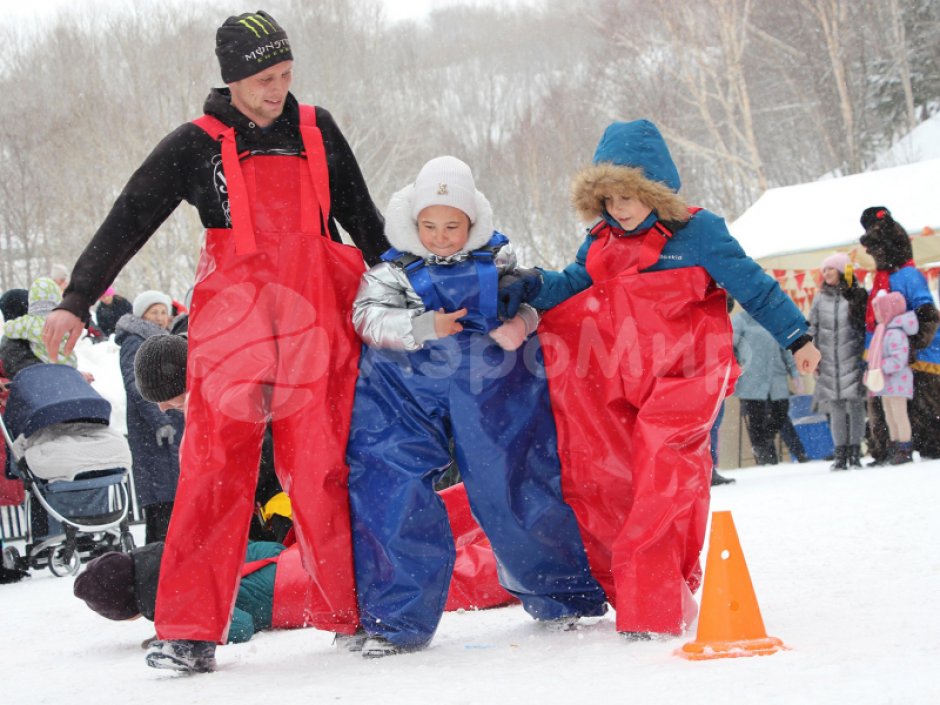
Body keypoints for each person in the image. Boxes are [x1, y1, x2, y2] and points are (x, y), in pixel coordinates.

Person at [41, 10, 388, 674]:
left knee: (321, 467)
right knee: (213, 472)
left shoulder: (317, 131)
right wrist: (77, 298)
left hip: (314, 325)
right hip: (234, 330)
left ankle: (353, 614)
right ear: (231, 79)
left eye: (285, 75)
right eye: (262, 79)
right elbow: (130, 217)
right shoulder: (196, 143)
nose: (276, 90)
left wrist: (407, 292)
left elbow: (365, 223)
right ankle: (190, 629)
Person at [497, 119, 820, 639]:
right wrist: (534, 284)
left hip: (689, 373)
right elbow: (576, 285)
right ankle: (648, 584)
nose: (619, 207)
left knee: (664, 468)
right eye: (609, 197)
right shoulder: (599, 239)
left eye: (631, 195)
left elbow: (755, 287)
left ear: (656, 191)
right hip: (621, 376)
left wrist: (797, 338)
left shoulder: (700, 232)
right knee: (610, 480)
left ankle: (653, 603)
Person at [346, 156, 607, 658]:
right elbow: (366, 318)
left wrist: (522, 324)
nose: (441, 237)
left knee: (514, 482)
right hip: (403, 389)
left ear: (471, 222)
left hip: (492, 382)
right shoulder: (391, 269)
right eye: (429, 226)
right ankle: (398, 619)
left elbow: (535, 301)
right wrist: (421, 328)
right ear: (413, 222)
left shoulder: (500, 260)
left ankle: (559, 595)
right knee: (392, 489)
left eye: (452, 226)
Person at [859, 206, 940, 463]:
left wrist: (913, 346)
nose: (872, 254)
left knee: (922, 409)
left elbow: (927, 314)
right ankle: (886, 448)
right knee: (883, 406)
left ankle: (923, 447)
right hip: (884, 356)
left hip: (919, 358)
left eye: (876, 249)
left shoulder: (908, 276)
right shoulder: (880, 280)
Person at [115, 291, 184, 544]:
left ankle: (167, 550)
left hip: (171, 425)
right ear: (141, 314)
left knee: (171, 495)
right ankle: (158, 552)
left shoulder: (166, 340)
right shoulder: (135, 341)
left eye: (163, 312)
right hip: (153, 431)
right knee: (161, 497)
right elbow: (136, 385)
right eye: (153, 312)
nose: (159, 317)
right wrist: (160, 420)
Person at [808, 252, 868, 470]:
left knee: (855, 404)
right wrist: (814, 356)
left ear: (842, 270)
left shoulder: (855, 295)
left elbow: (863, 325)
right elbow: (812, 327)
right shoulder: (819, 298)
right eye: (824, 270)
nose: (826, 273)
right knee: (836, 406)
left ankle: (855, 451)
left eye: (830, 268)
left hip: (852, 357)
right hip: (828, 360)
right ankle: (840, 453)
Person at [733, 309, 806, 465]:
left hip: (776, 375)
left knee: (781, 411)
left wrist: (794, 373)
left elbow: (786, 348)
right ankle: (764, 454)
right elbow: (729, 345)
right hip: (752, 378)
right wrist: (734, 365)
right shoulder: (741, 320)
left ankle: (763, 443)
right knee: (756, 417)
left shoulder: (774, 319)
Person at [864, 292, 918, 464]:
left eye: (879, 310)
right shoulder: (884, 331)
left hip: (898, 382)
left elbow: (899, 359)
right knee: (889, 415)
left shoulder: (895, 333)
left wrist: (880, 366)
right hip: (887, 383)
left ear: (889, 311)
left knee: (899, 414)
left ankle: (904, 447)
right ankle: (895, 445)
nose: (877, 315)